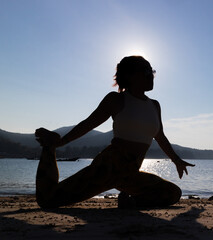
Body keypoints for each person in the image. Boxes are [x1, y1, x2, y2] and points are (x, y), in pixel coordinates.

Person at [35, 56, 195, 209]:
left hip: (131, 173)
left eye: (152, 71)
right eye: (146, 71)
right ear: (129, 75)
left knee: (172, 193)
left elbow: (159, 136)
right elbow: (88, 124)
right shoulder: (116, 100)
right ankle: (48, 147)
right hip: (108, 167)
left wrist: (176, 160)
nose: (151, 76)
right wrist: (60, 142)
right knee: (48, 200)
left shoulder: (154, 105)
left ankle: (129, 201)